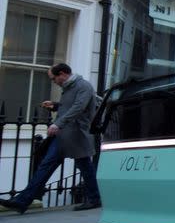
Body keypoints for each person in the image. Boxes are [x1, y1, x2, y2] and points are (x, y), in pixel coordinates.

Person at [0, 63, 101, 213]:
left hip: (77, 134)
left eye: (54, 78)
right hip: (64, 135)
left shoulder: (83, 86)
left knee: (85, 167)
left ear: (62, 74)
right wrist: (55, 106)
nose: (53, 81)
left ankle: (94, 199)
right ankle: (22, 201)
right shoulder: (69, 86)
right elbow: (69, 106)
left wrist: (58, 124)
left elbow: (79, 107)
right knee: (45, 167)